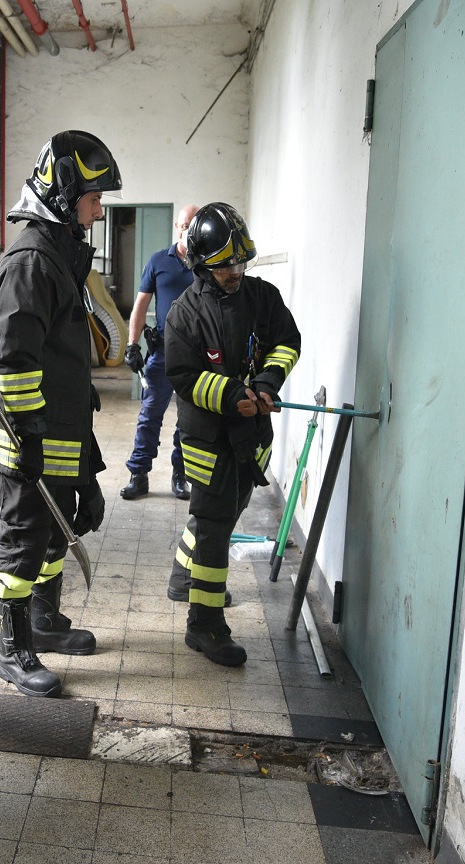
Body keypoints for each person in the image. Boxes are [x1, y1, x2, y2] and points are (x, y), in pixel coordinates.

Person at [0, 131, 120, 698]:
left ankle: (43, 620)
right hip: (28, 434)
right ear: (64, 194)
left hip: (60, 429)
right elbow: (14, 360)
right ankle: (12, 649)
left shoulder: (61, 254)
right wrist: (31, 436)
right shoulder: (31, 260)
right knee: (24, 537)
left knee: (57, 532)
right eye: (93, 197)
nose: (99, 208)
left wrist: (81, 454)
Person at [163, 202, 301, 667]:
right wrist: (228, 395)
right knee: (217, 526)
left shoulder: (263, 297)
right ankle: (204, 625)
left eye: (239, 262)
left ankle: (183, 579)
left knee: (219, 515)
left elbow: (287, 342)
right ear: (203, 265)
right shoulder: (184, 314)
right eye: (223, 266)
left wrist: (266, 383)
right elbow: (183, 376)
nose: (234, 272)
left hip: (252, 436)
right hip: (209, 440)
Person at [120, 204, 200, 503]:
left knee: (189, 419)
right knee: (150, 415)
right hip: (164, 352)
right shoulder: (158, 261)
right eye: (183, 225)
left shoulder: (205, 263)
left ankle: (180, 475)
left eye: (192, 225)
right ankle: (138, 475)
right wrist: (132, 344)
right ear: (176, 227)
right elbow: (140, 306)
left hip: (197, 358)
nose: (187, 230)